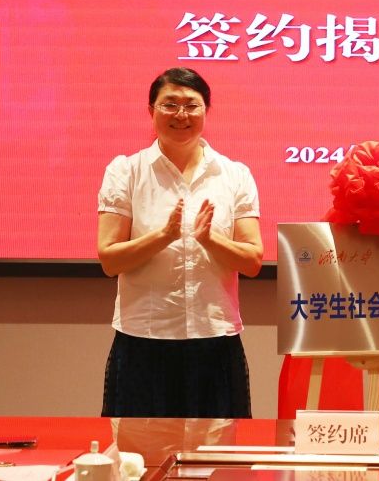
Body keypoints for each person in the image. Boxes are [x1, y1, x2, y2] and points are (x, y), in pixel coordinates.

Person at [97, 67, 263, 418]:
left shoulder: (235, 174)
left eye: (191, 105)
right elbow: (110, 259)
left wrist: (209, 240)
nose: (181, 115)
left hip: (214, 340)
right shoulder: (126, 171)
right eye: (170, 104)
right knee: (139, 448)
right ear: (151, 110)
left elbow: (252, 261)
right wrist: (164, 237)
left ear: (206, 110)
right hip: (143, 340)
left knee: (220, 448)